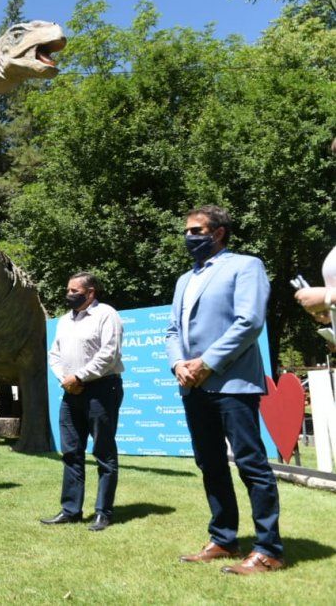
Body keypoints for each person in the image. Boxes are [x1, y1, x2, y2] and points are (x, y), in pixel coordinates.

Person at [166, 205, 284, 574]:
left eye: (196, 230)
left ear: (218, 232)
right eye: (186, 231)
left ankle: (268, 549)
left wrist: (207, 363)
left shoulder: (246, 266)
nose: (189, 237)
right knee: (210, 463)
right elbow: (172, 331)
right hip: (193, 385)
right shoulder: (185, 279)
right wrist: (178, 364)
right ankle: (223, 538)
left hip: (232, 383)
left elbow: (249, 322)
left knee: (251, 464)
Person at [42, 272, 124, 531]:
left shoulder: (107, 315)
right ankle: (71, 510)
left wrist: (79, 376)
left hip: (101, 389)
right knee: (71, 452)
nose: (69, 294)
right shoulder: (65, 320)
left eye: (74, 290)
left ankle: (103, 512)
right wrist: (66, 379)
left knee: (103, 452)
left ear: (90, 293)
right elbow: (54, 354)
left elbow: (109, 354)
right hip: (70, 391)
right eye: (68, 289)